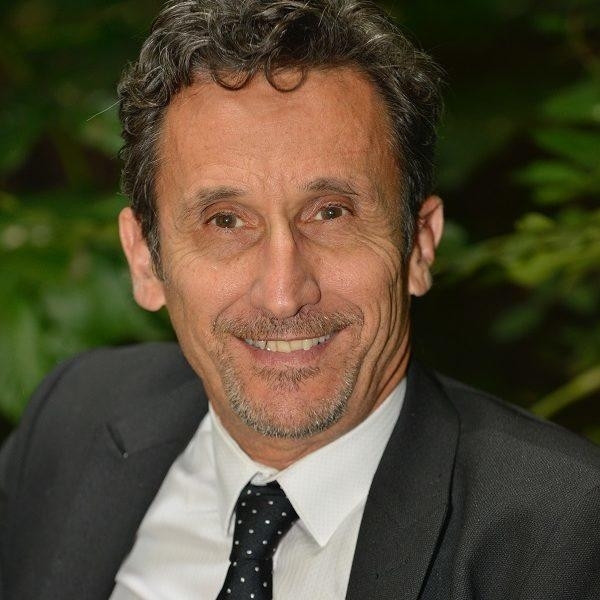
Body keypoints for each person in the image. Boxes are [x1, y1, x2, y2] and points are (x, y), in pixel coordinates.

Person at [1, 0, 599, 598]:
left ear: (419, 246)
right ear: (144, 261)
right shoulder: (75, 416)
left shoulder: (565, 531)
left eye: (331, 213)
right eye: (225, 221)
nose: (283, 295)